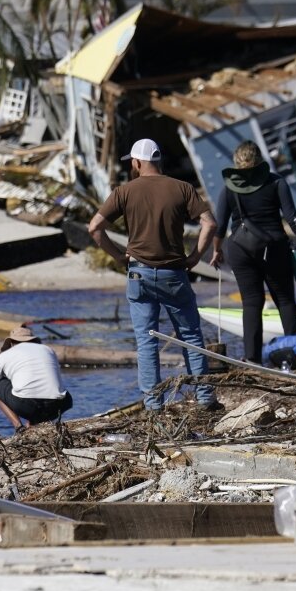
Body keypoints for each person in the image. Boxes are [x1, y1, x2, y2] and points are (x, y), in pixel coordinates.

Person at [87, 138, 221, 412]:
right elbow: (209, 223)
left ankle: (153, 404)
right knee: (191, 336)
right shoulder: (182, 188)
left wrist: (118, 255)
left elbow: (95, 228)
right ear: (158, 161)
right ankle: (205, 397)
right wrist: (195, 256)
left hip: (139, 274)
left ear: (136, 163)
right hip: (174, 273)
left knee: (146, 340)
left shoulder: (123, 191)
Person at [208, 140, 296, 364]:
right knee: (285, 299)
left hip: (239, 249)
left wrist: (216, 250)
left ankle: (252, 359)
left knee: (251, 303)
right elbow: (293, 219)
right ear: (259, 159)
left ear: (237, 162)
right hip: (273, 247)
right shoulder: (276, 182)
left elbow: (220, 226)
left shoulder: (229, 188)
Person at [0, 326, 73, 431]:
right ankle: (34, 424)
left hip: (27, 406)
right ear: (35, 340)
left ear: (12, 343)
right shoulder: (48, 350)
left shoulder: (5, 356)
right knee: (49, 390)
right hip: (59, 405)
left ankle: (19, 427)